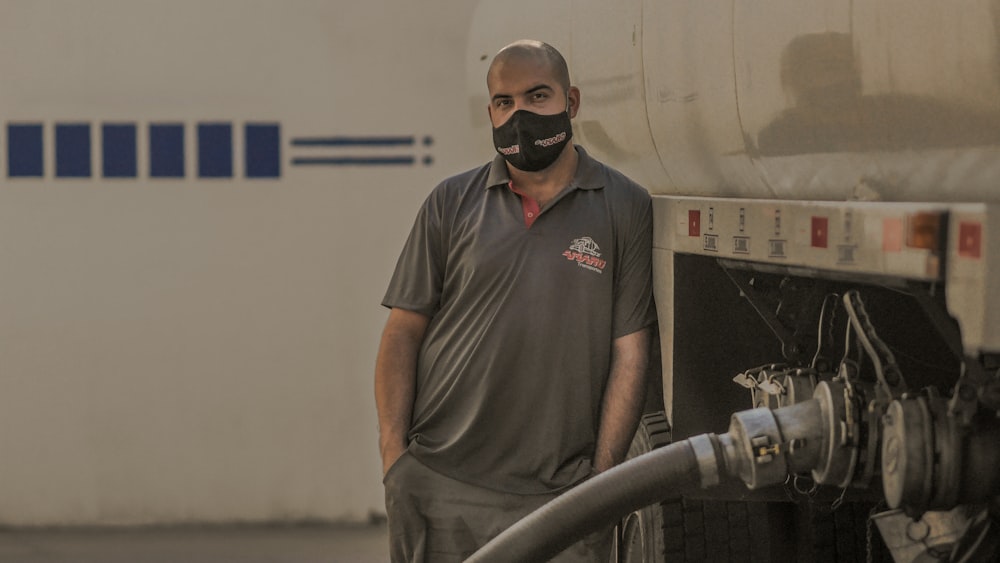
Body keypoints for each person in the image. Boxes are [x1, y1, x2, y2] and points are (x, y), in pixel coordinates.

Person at [375, 39, 656, 562]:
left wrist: (601, 484)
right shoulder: (450, 202)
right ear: (489, 111)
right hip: (440, 483)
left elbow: (631, 353)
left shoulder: (624, 206)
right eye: (504, 102)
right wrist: (396, 459)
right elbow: (402, 333)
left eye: (537, 96)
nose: (519, 114)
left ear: (571, 102)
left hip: (559, 498)